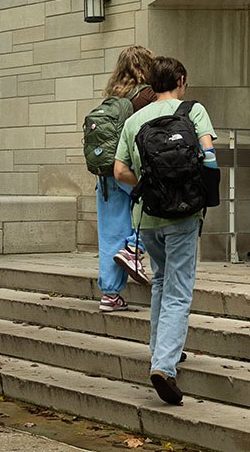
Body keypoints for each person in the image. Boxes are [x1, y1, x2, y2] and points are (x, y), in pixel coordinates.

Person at [112, 57, 216, 405]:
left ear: (151, 83)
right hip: (185, 213)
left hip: (149, 214)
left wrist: (144, 186)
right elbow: (210, 157)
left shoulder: (135, 120)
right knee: (178, 290)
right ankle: (164, 366)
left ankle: (161, 349)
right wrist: (205, 196)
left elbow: (119, 170)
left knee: (160, 281)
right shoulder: (192, 110)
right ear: (181, 80)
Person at [91, 46, 158, 312]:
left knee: (110, 234)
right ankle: (133, 248)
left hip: (105, 174)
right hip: (128, 169)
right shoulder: (147, 96)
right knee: (150, 209)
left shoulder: (111, 98)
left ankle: (110, 295)